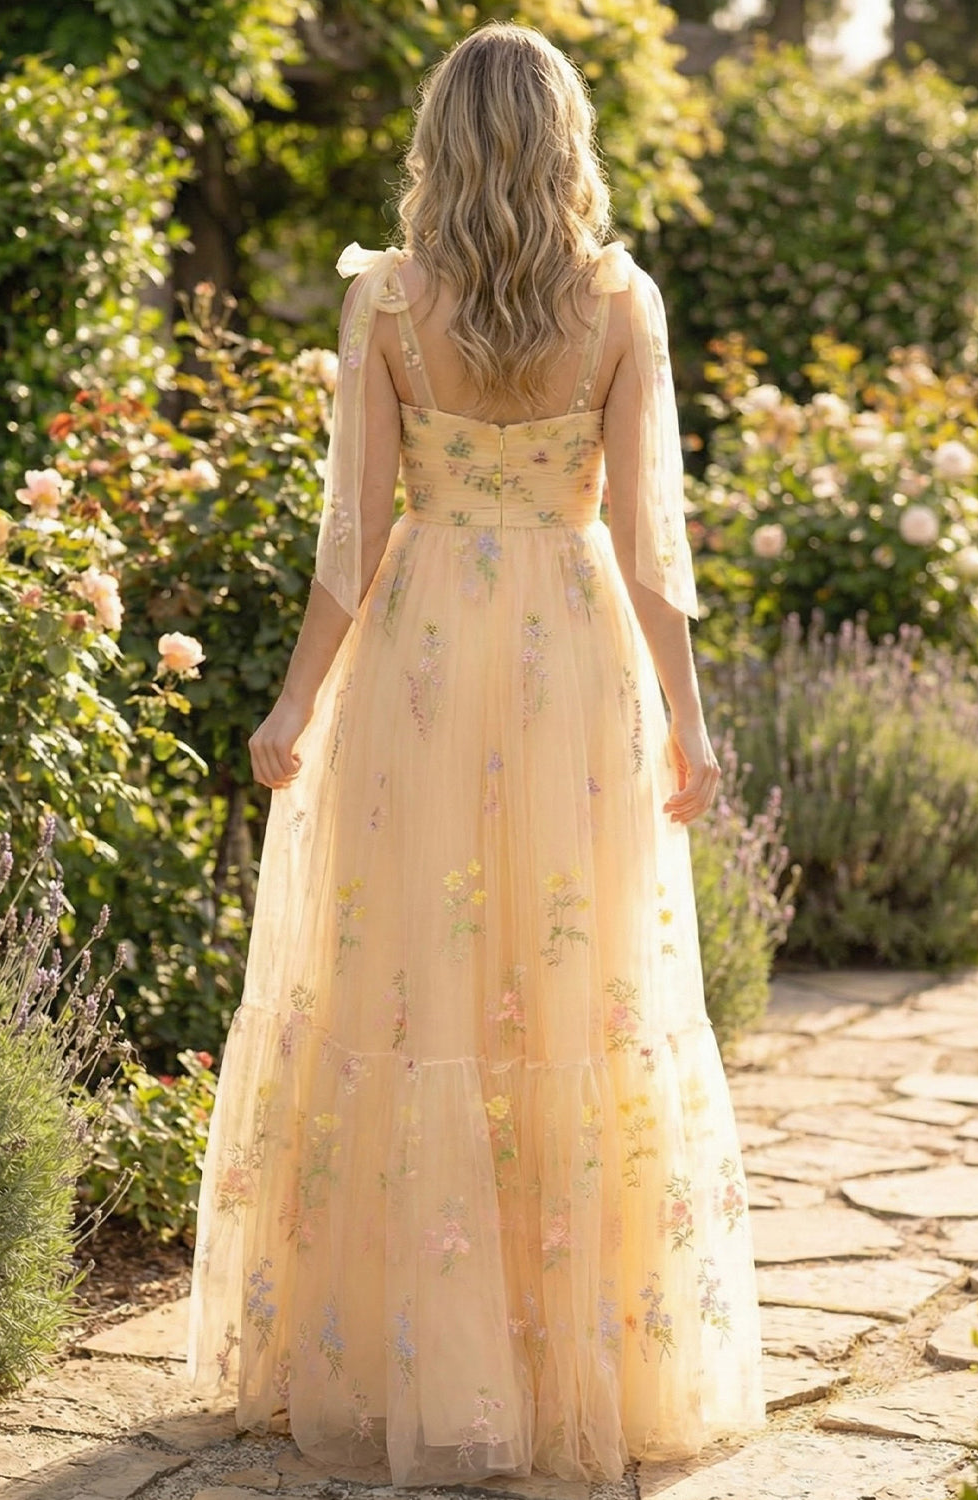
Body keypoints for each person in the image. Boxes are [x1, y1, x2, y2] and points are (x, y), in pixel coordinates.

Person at [186, 20, 766, 1489]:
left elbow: (352, 542)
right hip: (574, 656)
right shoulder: (619, 297)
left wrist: (295, 704)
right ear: (566, 137)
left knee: (413, 979)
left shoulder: (385, 300)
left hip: (427, 657)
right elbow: (651, 550)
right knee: (571, 987)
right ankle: (574, 1351)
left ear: (440, 140)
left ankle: (414, 1344)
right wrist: (690, 719)